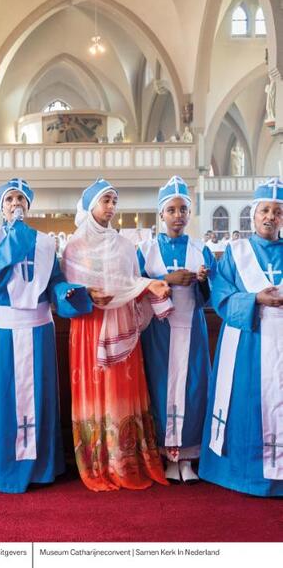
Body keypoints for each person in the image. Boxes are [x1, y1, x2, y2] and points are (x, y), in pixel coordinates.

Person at [0, 178, 91, 493]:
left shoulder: (44, 243)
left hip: (39, 327)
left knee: (38, 395)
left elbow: (54, 280)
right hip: (6, 330)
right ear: (1, 208)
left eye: (21, 200)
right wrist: (15, 237)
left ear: (28, 206)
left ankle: (41, 466)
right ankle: (3, 462)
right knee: (5, 395)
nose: (16, 204)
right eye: (10, 200)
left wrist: (66, 291)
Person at [62, 178, 172, 492]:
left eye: (114, 201)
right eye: (105, 201)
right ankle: (99, 462)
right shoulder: (74, 247)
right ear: (90, 205)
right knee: (96, 393)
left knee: (122, 392)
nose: (111, 207)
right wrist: (86, 294)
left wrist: (150, 287)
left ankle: (126, 460)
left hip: (121, 325)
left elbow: (132, 283)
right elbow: (67, 291)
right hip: (88, 327)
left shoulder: (125, 246)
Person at [199, 177, 283, 497]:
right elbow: (221, 296)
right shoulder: (236, 252)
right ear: (254, 213)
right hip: (247, 343)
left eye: (277, 212)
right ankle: (243, 473)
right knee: (247, 404)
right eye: (265, 210)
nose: (270, 217)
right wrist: (256, 300)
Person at [137, 176, 216, 483]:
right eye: (171, 210)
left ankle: (187, 458)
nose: (178, 215)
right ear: (161, 214)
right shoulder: (146, 249)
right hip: (160, 331)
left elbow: (212, 296)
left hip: (191, 328)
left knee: (194, 389)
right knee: (161, 388)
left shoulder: (201, 249)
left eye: (183, 209)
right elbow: (136, 287)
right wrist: (168, 280)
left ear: (189, 213)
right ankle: (166, 455)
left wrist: (203, 280)